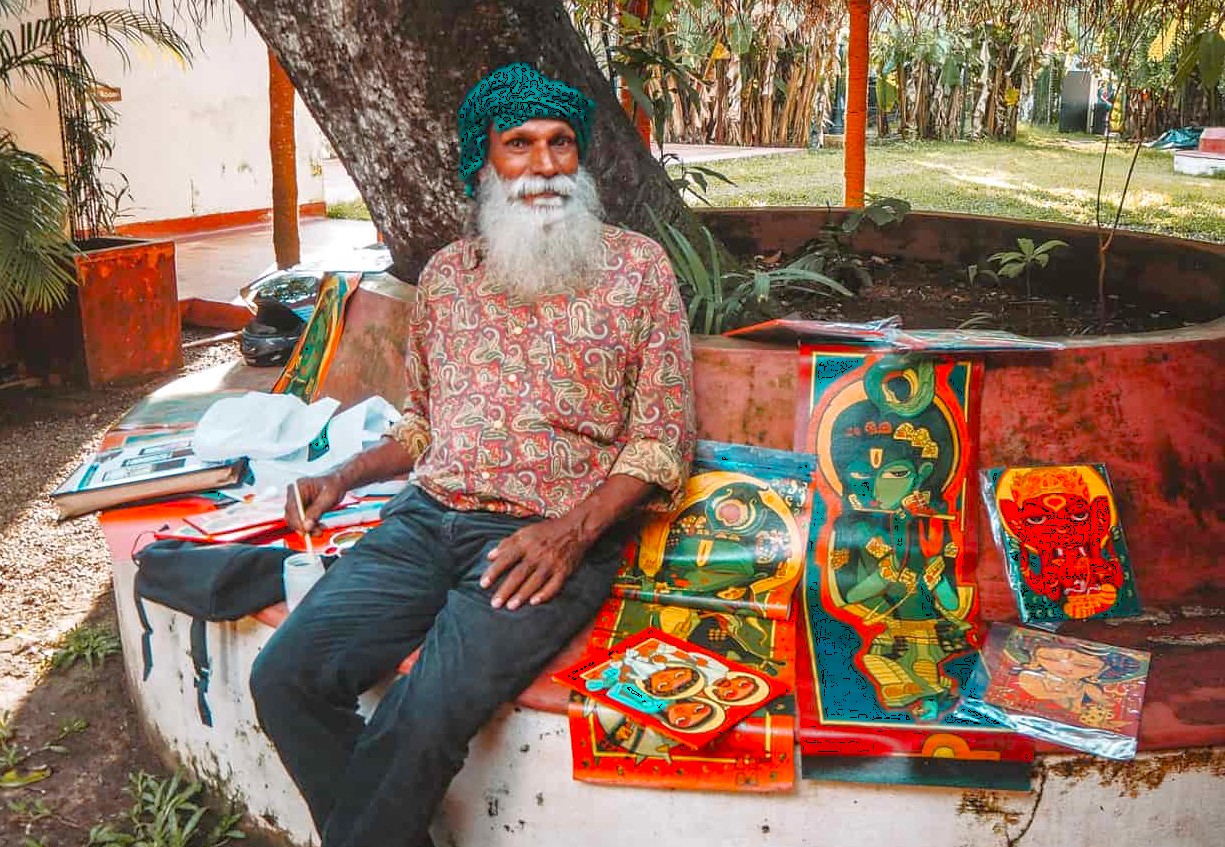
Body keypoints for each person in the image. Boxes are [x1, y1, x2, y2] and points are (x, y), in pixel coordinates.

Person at [249, 62, 695, 847]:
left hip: (543, 538)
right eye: (518, 143)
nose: (544, 164)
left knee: (419, 716)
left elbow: (661, 441)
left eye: (560, 142)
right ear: (481, 162)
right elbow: (424, 422)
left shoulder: (637, 270)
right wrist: (342, 475)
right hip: (423, 520)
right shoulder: (447, 277)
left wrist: (572, 532)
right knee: (285, 677)